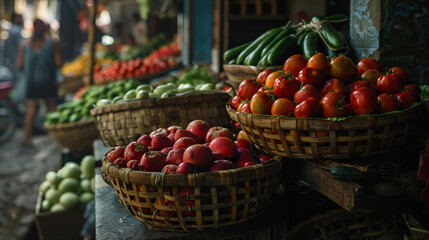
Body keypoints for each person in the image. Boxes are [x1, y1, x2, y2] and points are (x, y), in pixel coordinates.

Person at [17, 19, 62, 148]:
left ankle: (27, 141)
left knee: (31, 111)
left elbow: (19, 66)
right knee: (52, 110)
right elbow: (58, 63)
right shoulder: (52, 43)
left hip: (32, 84)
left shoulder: (24, 45)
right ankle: (57, 140)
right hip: (49, 82)